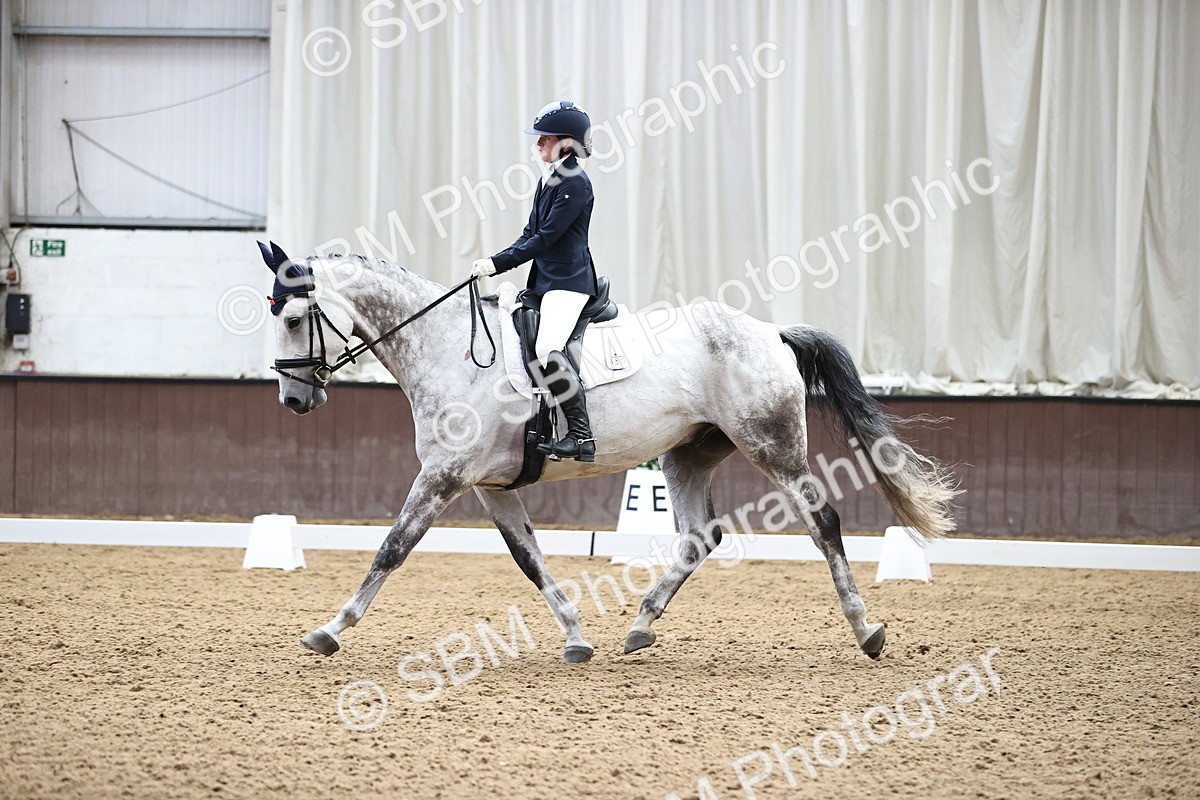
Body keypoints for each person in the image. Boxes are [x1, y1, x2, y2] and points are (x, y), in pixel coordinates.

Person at [471, 100, 598, 463]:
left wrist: (496, 264)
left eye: (545, 138)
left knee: (546, 349)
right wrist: (495, 259)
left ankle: (580, 435)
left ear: (565, 143)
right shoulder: (552, 178)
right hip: (546, 280)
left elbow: (544, 239)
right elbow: (530, 232)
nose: (538, 144)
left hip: (569, 282)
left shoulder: (575, 182)